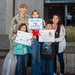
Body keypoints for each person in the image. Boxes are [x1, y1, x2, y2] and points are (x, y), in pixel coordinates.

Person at [30, 10, 44, 75]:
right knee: (34, 57)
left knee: (39, 57)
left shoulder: (42, 21)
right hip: (33, 41)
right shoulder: (29, 22)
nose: (35, 15)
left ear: (38, 15)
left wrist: (41, 32)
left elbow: (44, 30)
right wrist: (32, 35)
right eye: (34, 14)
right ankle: (34, 72)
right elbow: (28, 31)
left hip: (40, 41)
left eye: (36, 14)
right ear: (32, 15)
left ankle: (38, 72)